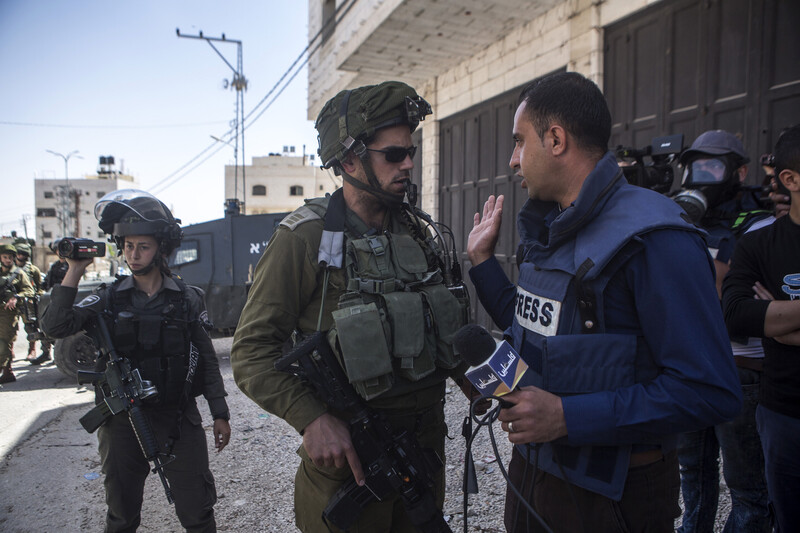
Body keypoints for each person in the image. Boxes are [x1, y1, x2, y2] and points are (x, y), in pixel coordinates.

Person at [466, 72, 743, 532]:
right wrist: (481, 263)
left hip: (613, 498)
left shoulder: (657, 239)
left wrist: (567, 417)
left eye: (519, 142)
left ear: (556, 139)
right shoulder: (551, 226)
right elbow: (535, 329)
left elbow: (711, 392)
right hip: (532, 479)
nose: (513, 160)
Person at [231, 81, 473, 532]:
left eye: (410, 152)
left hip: (422, 459)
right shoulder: (304, 238)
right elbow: (251, 352)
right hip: (351, 469)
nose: (408, 164)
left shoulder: (420, 234)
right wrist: (311, 419)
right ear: (348, 160)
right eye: (393, 154)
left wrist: (480, 385)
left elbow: (447, 328)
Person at [41, 189, 231, 532]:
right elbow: (55, 325)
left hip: (176, 419)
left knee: (198, 513)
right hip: (121, 424)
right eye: (128, 245)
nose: (133, 253)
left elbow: (205, 358)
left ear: (160, 248)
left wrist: (220, 413)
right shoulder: (108, 299)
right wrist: (74, 270)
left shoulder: (187, 299)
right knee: (122, 515)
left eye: (142, 246)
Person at [674, 130, 772, 533]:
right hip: (691, 366)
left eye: (713, 166)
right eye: (696, 167)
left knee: (747, 488)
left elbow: (734, 305)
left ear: (739, 171)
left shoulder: (761, 222)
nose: (702, 176)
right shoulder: (685, 220)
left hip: (741, 369)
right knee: (693, 477)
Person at [722, 123, 800, 533]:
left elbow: (761, 319)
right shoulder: (759, 244)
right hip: (784, 414)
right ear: (790, 179)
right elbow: (736, 314)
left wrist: (782, 321)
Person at [0, 243, 34, 384]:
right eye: (5, 257)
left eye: (10, 257)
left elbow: (29, 291)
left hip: (8, 314)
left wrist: (17, 297)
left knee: (3, 343)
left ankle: (7, 371)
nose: (8, 260)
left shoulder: (19, 273)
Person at [13, 242, 51, 365]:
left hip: (28, 302)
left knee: (32, 327)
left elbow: (39, 287)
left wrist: (37, 298)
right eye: (18, 254)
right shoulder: (10, 268)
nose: (20, 256)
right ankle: (9, 351)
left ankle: (34, 350)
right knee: (11, 328)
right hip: (12, 302)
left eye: (22, 254)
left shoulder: (32, 269)